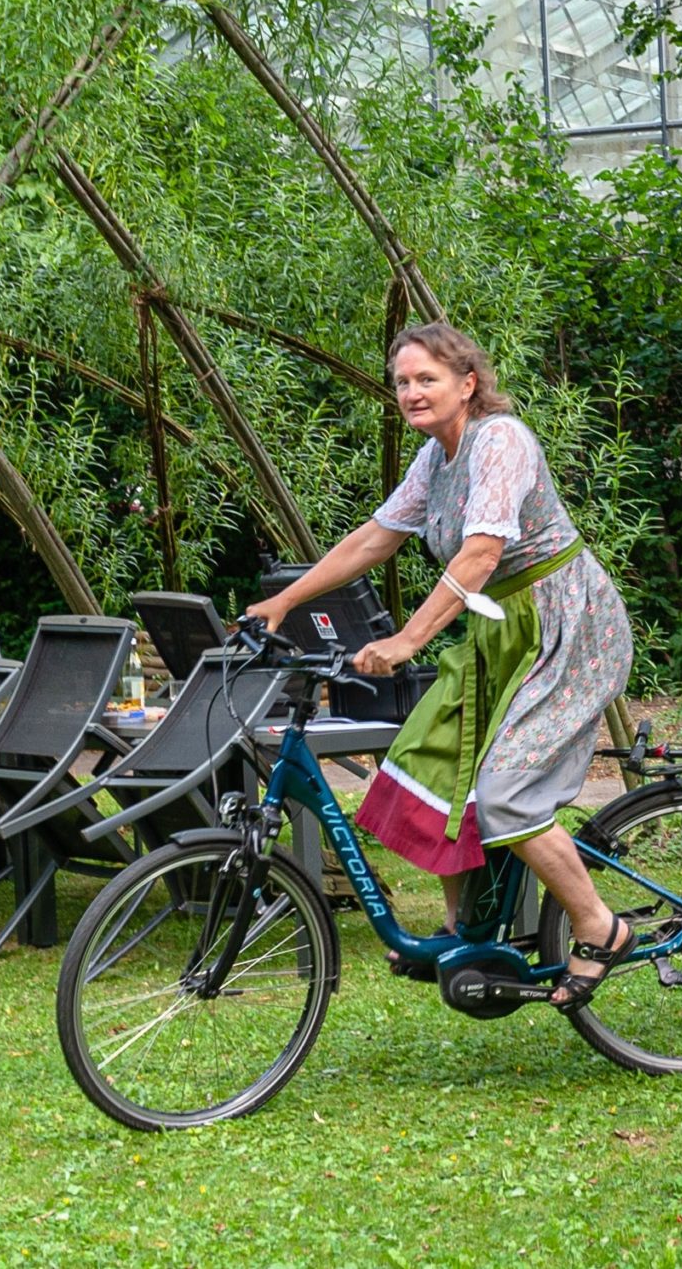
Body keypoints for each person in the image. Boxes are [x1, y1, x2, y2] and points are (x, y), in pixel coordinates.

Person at [247, 324, 637, 1010]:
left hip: (568, 627)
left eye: (426, 378)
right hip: (503, 631)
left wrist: (406, 638)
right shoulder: (436, 456)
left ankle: (599, 924)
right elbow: (375, 537)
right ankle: (464, 931)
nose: (411, 392)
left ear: (468, 383)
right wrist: (283, 600)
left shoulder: (501, 440)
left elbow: (483, 551)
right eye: (402, 381)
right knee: (425, 762)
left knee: (507, 793)